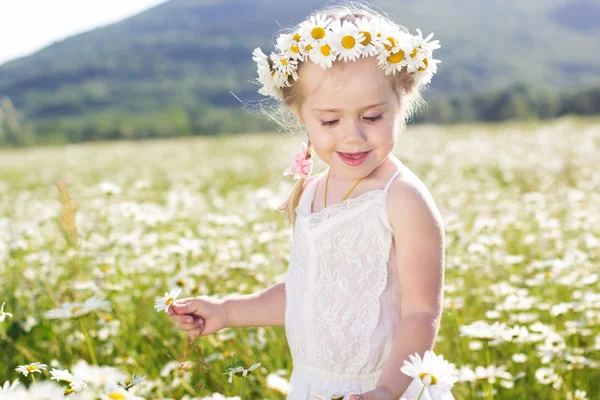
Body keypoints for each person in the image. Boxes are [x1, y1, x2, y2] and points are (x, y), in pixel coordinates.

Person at [168, 2, 452, 399]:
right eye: (330, 121)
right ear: (299, 113)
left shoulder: (403, 199)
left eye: (372, 117)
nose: (352, 136)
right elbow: (309, 291)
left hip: (383, 387)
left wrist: (387, 390)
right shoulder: (313, 190)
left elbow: (422, 313)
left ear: (402, 100)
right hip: (314, 386)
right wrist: (227, 311)